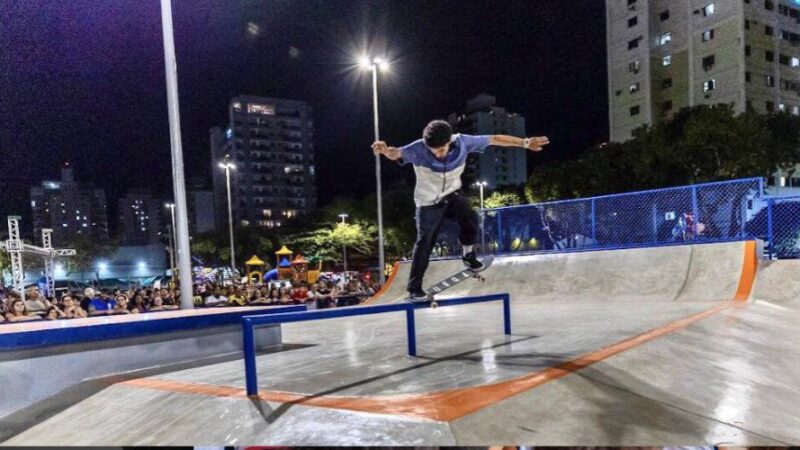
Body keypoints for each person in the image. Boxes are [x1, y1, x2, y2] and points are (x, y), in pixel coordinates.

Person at [372, 120, 549, 300]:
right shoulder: (418, 148)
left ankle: (468, 255)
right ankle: (414, 289)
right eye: (435, 151)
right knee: (424, 242)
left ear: (450, 141)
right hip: (428, 203)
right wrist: (386, 150)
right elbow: (397, 153)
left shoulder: (464, 142)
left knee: (471, 218)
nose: (440, 155)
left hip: (452, 195)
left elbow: (494, 139)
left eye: (442, 149)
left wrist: (525, 142)